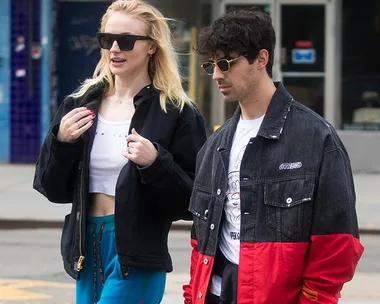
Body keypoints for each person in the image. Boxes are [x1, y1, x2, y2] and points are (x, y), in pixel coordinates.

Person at [183, 7, 364, 304]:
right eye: (210, 66)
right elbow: (199, 242)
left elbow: (337, 244)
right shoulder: (215, 145)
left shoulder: (316, 138)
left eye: (226, 63)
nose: (216, 75)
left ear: (261, 59)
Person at [33, 0, 207, 303]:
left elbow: (193, 200)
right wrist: (62, 142)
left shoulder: (176, 112)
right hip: (85, 246)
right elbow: (51, 188)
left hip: (137, 252)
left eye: (126, 41)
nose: (114, 48)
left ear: (151, 46)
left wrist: (156, 163)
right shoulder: (79, 104)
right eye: (106, 39)